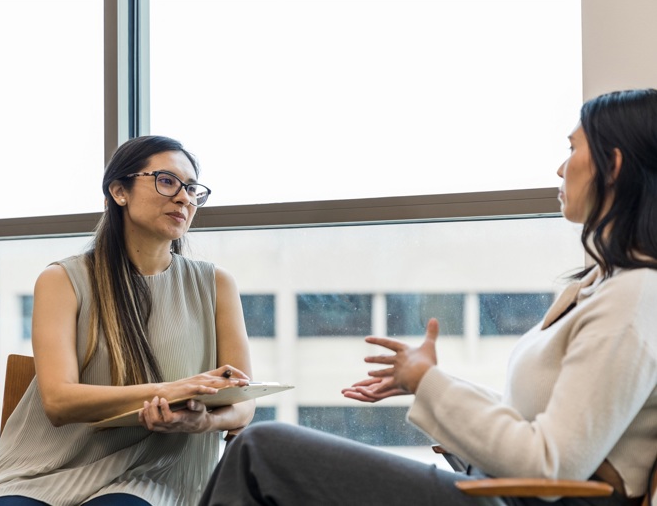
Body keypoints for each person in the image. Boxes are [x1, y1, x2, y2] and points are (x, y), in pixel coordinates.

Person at [198, 88, 657, 506]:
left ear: (613, 165)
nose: (561, 167)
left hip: (519, 502)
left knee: (263, 451)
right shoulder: (602, 286)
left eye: (573, 148)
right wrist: (426, 380)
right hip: (504, 491)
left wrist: (429, 384)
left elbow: (552, 463)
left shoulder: (633, 296)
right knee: (259, 455)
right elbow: (532, 424)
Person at [0, 136, 256, 506]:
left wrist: (205, 423)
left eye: (192, 188)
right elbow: (58, 402)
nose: (184, 198)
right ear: (120, 191)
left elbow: (244, 400)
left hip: (156, 474)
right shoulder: (62, 280)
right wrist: (174, 390)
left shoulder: (216, 285)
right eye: (167, 181)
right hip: (42, 471)